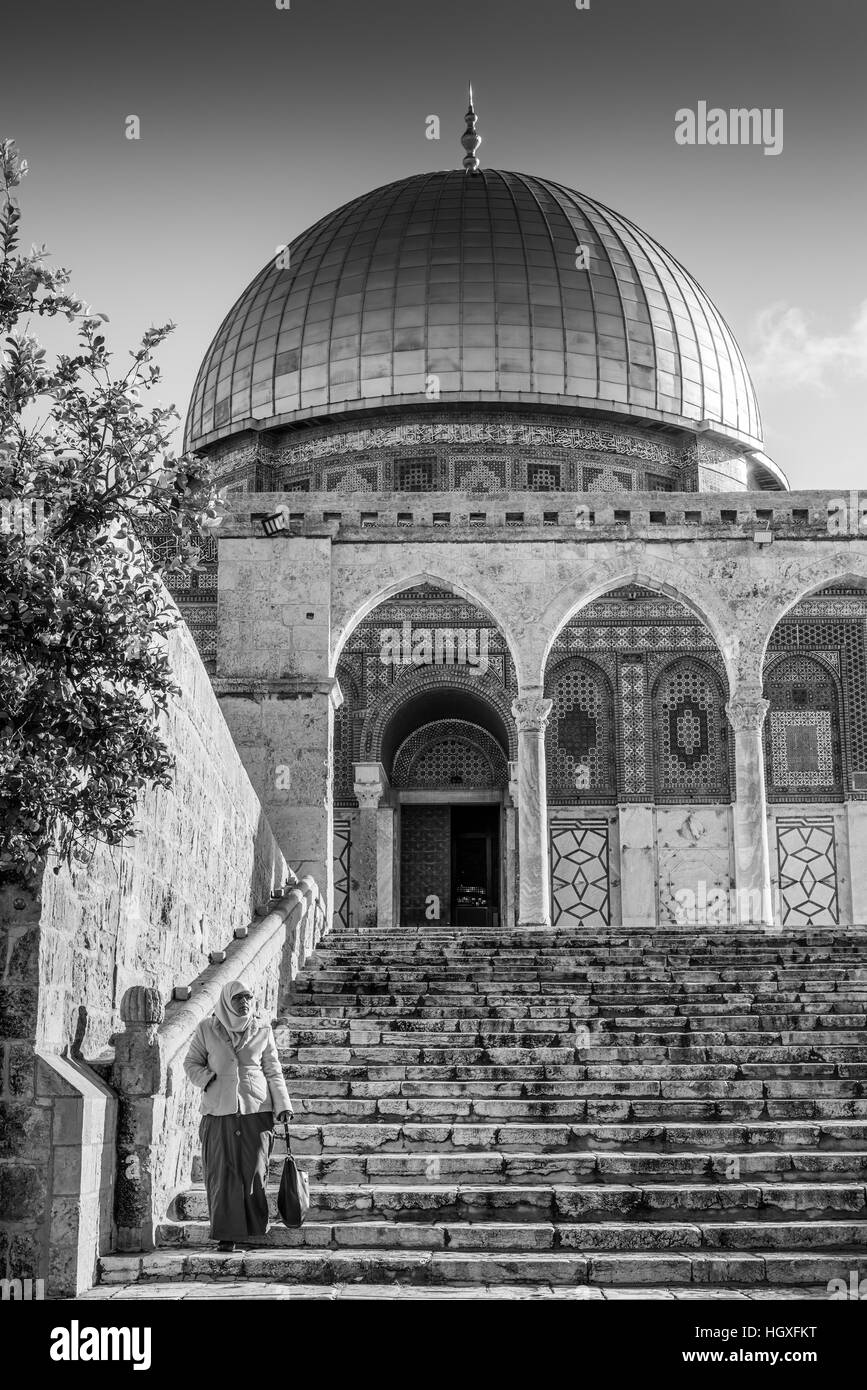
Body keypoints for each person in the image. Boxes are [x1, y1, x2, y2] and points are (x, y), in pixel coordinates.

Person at [184, 979, 293, 1252]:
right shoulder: (206, 1029)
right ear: (225, 1001)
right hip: (218, 1112)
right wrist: (208, 1079)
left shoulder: (262, 1031)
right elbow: (191, 1062)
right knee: (222, 1174)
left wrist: (283, 1105)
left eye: (248, 997)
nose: (244, 1002)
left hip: (256, 1111)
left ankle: (254, 1228)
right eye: (238, 998)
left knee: (255, 1170)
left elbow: (272, 1070)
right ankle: (226, 1235)